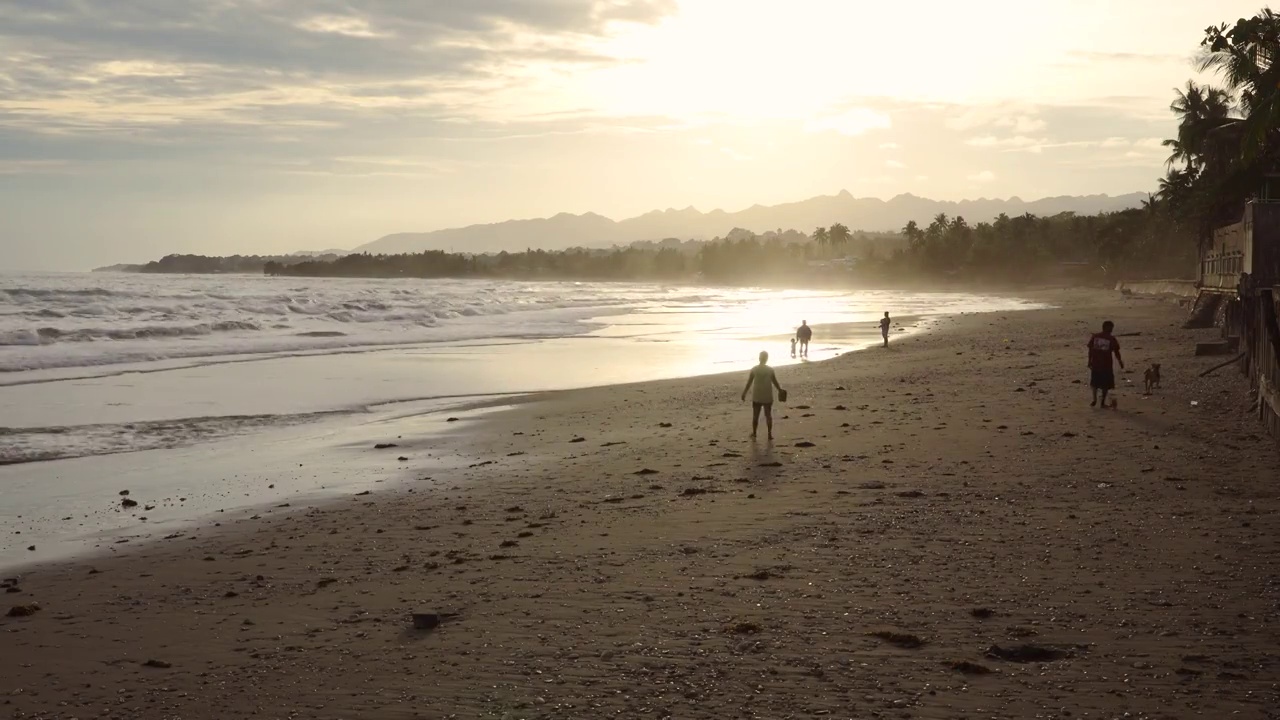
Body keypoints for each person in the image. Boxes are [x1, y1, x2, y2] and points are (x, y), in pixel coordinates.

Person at [741, 351, 784, 440]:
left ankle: (754, 433)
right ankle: (769, 434)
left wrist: (744, 393)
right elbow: (775, 382)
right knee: (768, 415)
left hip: (757, 395)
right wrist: (779, 390)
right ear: (767, 359)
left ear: (759, 358)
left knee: (755, 415)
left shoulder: (754, 369)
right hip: (767, 395)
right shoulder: (770, 370)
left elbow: (749, 382)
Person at [1087, 320, 1124, 408]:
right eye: (1111, 328)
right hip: (1106, 365)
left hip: (1096, 364)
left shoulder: (1095, 337)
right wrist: (1120, 361)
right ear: (1109, 328)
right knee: (1105, 385)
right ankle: (1102, 402)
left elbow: (1090, 350)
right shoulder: (1111, 339)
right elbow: (1116, 351)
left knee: (1094, 383)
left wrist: (1089, 361)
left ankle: (1094, 399)